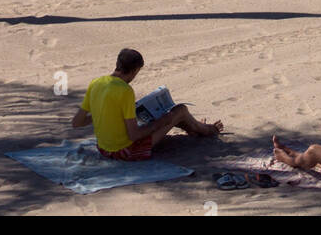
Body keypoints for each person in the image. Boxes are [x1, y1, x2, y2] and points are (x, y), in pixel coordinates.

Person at [70, 48, 222, 160]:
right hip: (125, 152)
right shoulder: (125, 90)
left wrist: (104, 112)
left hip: (103, 149)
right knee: (180, 111)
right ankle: (209, 130)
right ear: (135, 70)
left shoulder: (96, 83)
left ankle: (194, 127)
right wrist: (162, 121)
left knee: (174, 115)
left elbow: (77, 123)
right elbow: (134, 135)